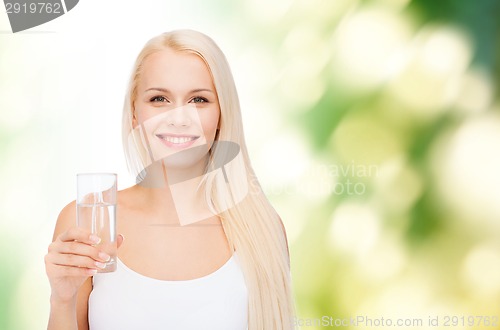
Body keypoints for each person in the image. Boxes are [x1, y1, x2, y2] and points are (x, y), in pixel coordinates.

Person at [45, 29, 295, 330]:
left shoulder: (262, 231)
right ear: (135, 114)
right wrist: (62, 299)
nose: (178, 118)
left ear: (222, 115)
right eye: (159, 98)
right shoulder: (87, 220)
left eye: (198, 100)